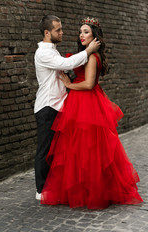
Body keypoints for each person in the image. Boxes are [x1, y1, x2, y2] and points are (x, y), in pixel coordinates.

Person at [40, 17, 143, 209]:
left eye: (86, 31)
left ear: (95, 37)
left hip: (85, 101)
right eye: (80, 31)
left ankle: (89, 190)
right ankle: (81, 186)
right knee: (78, 147)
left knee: (88, 147)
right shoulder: (87, 55)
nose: (81, 35)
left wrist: (70, 84)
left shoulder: (92, 57)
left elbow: (88, 84)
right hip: (81, 101)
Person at [34, 15, 101, 200]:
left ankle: (52, 185)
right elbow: (68, 64)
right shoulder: (44, 53)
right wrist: (88, 50)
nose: (62, 32)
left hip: (59, 106)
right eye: (58, 30)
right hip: (47, 107)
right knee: (45, 150)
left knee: (57, 150)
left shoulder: (53, 50)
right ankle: (40, 190)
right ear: (47, 33)